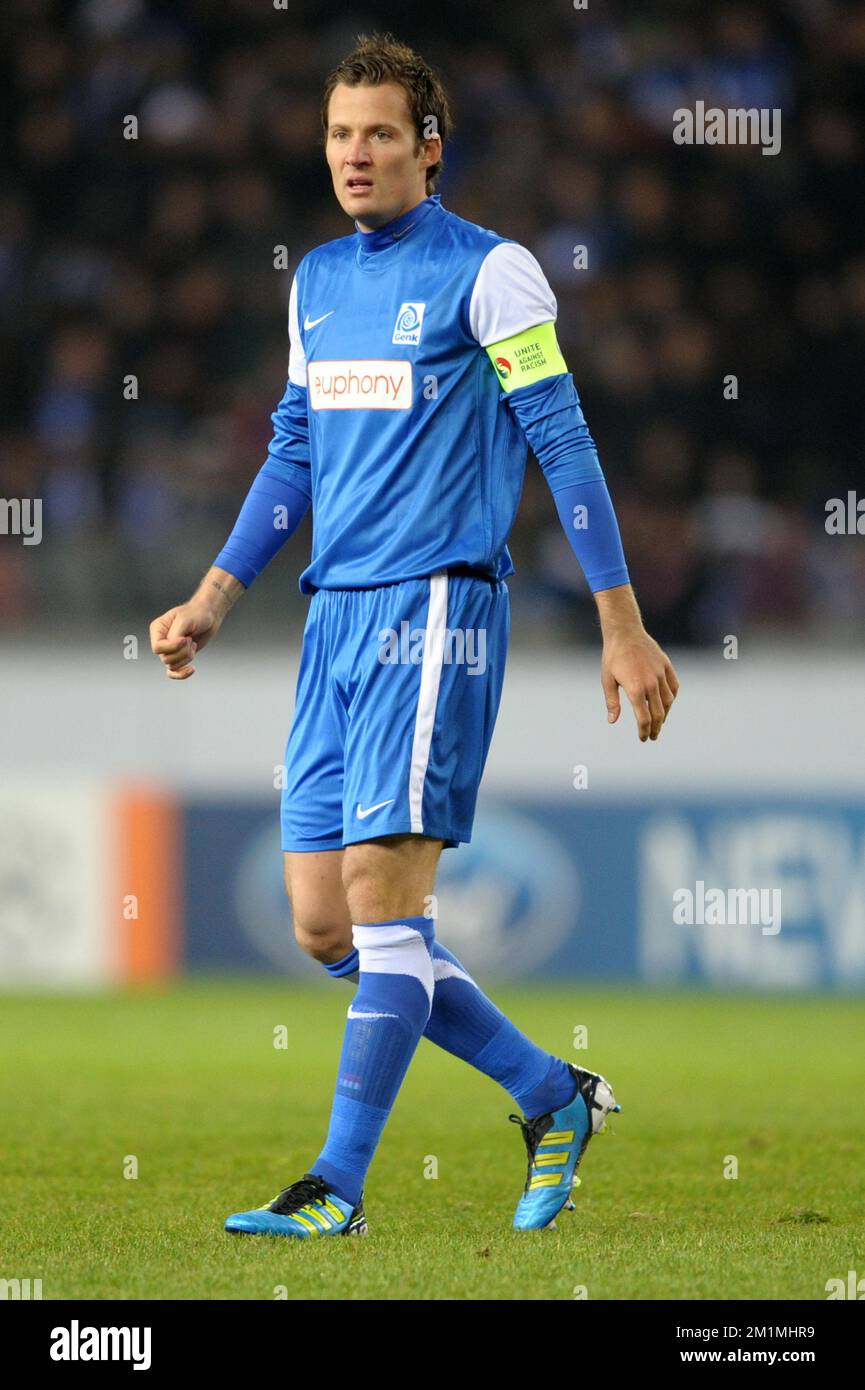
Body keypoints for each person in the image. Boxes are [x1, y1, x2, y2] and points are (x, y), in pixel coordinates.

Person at [149, 33, 679, 1236]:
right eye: (339, 133)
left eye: (380, 132)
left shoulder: (492, 273)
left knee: (387, 904)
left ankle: (335, 1185)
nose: (355, 153)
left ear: (429, 149)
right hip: (331, 617)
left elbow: (564, 442)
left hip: (433, 609)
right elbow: (295, 451)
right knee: (324, 924)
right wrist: (215, 595)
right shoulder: (317, 284)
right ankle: (552, 1095)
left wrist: (621, 621)